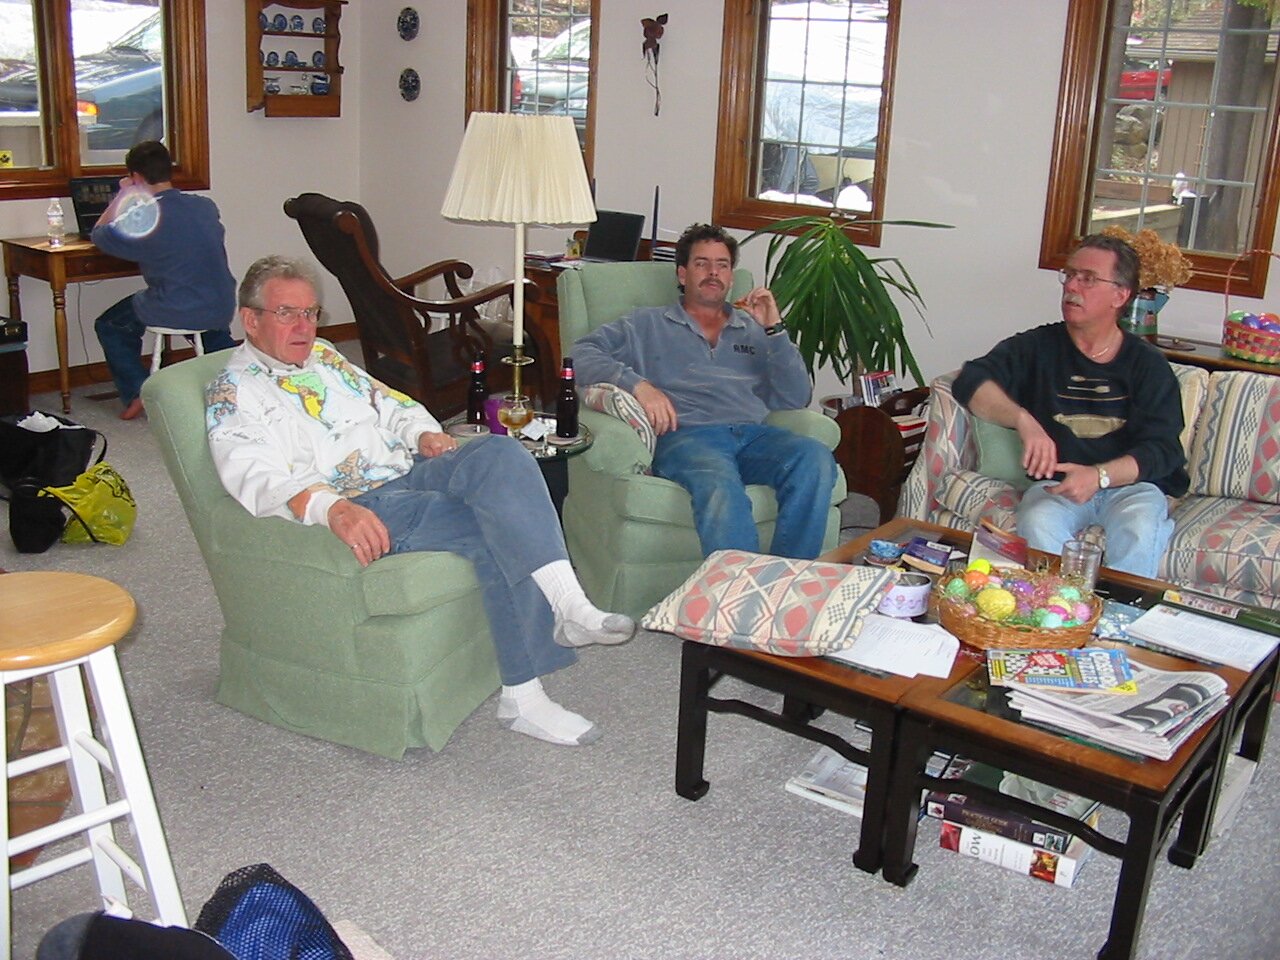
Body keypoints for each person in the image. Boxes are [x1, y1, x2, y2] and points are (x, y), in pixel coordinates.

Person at [206, 256, 634, 747]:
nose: (304, 326)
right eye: (287, 313)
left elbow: (389, 403)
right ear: (251, 319)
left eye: (311, 312)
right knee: (490, 525)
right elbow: (254, 476)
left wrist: (422, 433)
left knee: (501, 452)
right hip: (362, 501)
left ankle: (569, 603)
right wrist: (333, 509)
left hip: (408, 468)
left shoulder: (324, 356)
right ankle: (525, 696)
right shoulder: (234, 392)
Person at [571, 223, 838, 559]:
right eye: (702, 263)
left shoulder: (753, 329)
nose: (713, 272)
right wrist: (638, 385)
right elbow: (579, 355)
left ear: (731, 276)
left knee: (815, 459)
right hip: (687, 438)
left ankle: (787, 577)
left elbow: (796, 396)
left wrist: (774, 329)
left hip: (753, 436)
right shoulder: (646, 324)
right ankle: (736, 588)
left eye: (722, 265)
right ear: (682, 274)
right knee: (719, 484)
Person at [952, 233, 1187, 577]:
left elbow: (1163, 451)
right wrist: (1022, 419)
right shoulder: (1038, 347)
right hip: (1057, 487)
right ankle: (1059, 607)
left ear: (1120, 295)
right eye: (1070, 274)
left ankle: (1118, 610)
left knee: (1139, 529)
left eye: (1088, 278)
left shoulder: (1147, 364)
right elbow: (970, 380)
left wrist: (1099, 476)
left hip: (1131, 487)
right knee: (1038, 520)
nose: (1072, 286)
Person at [92, 140, 237, 420]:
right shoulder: (205, 206)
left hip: (179, 306)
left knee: (110, 324)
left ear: (136, 177)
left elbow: (99, 234)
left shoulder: (144, 218)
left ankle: (137, 392)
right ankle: (242, 374)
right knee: (202, 322)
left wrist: (123, 194)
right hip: (220, 303)